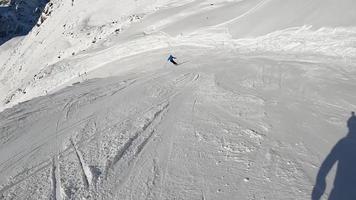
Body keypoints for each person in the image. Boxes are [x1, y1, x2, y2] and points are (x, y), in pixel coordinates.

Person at [312, 112, 356, 200]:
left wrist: (319, 187)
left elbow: (326, 165)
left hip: (339, 193)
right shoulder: (343, 143)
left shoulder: (344, 143)